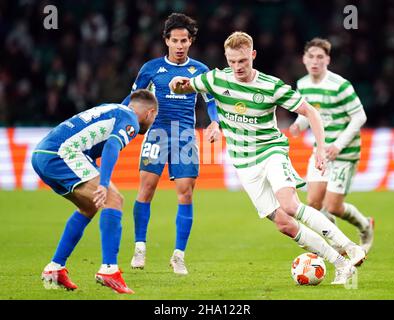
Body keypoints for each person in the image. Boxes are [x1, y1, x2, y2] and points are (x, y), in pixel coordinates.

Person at [169, 31, 366, 284]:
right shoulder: (216, 79)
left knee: (290, 205)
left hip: (271, 151)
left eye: (242, 61)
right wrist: (176, 83)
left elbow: (311, 112)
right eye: (232, 61)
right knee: (284, 224)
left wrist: (320, 149)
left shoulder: (271, 86)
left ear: (252, 55)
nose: (237, 67)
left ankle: (350, 247)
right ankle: (340, 264)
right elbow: (185, 86)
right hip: (243, 163)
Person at [31, 89, 158, 294]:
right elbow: (111, 147)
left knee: (88, 206)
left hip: (41, 154)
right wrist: (104, 182)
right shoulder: (130, 120)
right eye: (154, 118)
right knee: (113, 199)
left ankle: (55, 268)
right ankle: (109, 269)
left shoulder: (112, 108)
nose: (152, 122)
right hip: (62, 154)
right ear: (150, 113)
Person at [121, 13, 220, 275]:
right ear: (166, 41)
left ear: (191, 42)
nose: (179, 45)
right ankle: (139, 247)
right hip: (157, 133)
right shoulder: (151, 69)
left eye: (184, 41)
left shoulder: (199, 70)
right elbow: (133, 99)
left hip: (185, 135)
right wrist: (116, 117)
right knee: (147, 189)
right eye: (174, 40)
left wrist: (215, 122)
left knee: (186, 192)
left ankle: (178, 255)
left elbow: (211, 101)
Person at [289, 38, 374, 254]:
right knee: (314, 203)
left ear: (328, 59)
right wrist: (298, 125)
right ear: (304, 59)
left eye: (320, 57)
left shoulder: (340, 86)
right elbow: (309, 115)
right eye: (311, 56)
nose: (315, 61)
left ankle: (365, 226)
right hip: (321, 152)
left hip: (345, 153)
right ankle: (340, 245)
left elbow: (359, 117)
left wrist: (338, 145)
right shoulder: (303, 84)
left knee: (334, 206)